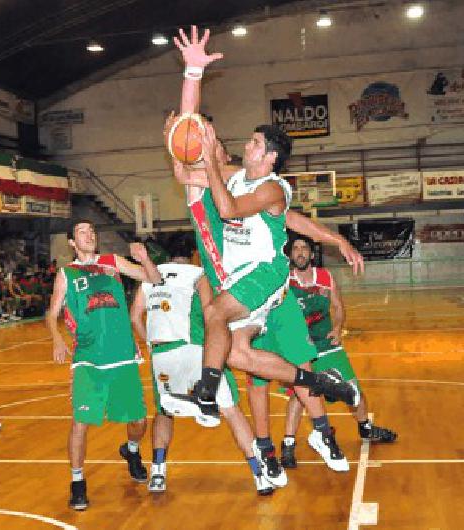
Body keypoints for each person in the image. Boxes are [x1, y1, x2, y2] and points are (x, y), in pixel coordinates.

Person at [161, 26, 364, 477]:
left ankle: (209, 395)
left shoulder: (271, 187)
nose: (245, 144)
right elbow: (187, 148)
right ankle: (316, 384)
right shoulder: (234, 176)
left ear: (269, 155)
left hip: (266, 275)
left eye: (254, 142)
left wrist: (210, 161)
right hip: (238, 280)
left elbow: (228, 204)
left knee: (215, 316)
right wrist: (192, 72)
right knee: (240, 355)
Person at [129, 236, 274, 495]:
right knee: (231, 411)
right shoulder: (198, 274)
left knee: (164, 412)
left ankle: (158, 473)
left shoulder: (149, 277)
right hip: (197, 350)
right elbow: (211, 313)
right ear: (194, 254)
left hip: (163, 353)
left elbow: (135, 316)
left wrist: (150, 344)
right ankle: (260, 475)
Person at [47, 219, 161, 511]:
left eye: (92, 231)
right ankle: (77, 482)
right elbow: (51, 314)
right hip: (88, 358)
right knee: (80, 423)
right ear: (72, 243)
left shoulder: (113, 262)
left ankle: (131, 450)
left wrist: (145, 259)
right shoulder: (67, 273)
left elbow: (154, 280)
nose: (89, 234)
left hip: (122, 354)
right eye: (82, 231)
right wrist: (57, 339)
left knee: (138, 422)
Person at [280, 236, 398, 469]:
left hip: (326, 343)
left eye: (305, 248)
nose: (301, 252)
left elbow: (338, 306)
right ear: (291, 255)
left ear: (312, 254)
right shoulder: (284, 280)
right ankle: (288, 445)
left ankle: (366, 428)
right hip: (299, 347)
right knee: (299, 395)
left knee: (353, 389)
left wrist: (337, 327)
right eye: (296, 249)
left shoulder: (325, 277)